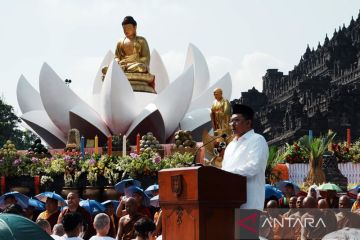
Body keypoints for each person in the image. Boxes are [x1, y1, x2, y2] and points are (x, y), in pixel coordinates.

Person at [222, 103, 269, 210]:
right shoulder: (230, 145)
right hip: (229, 204)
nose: (232, 124)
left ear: (248, 123)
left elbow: (254, 167)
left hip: (250, 204)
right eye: (231, 121)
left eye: (237, 120)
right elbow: (224, 170)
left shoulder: (257, 140)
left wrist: (225, 174)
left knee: (246, 228)